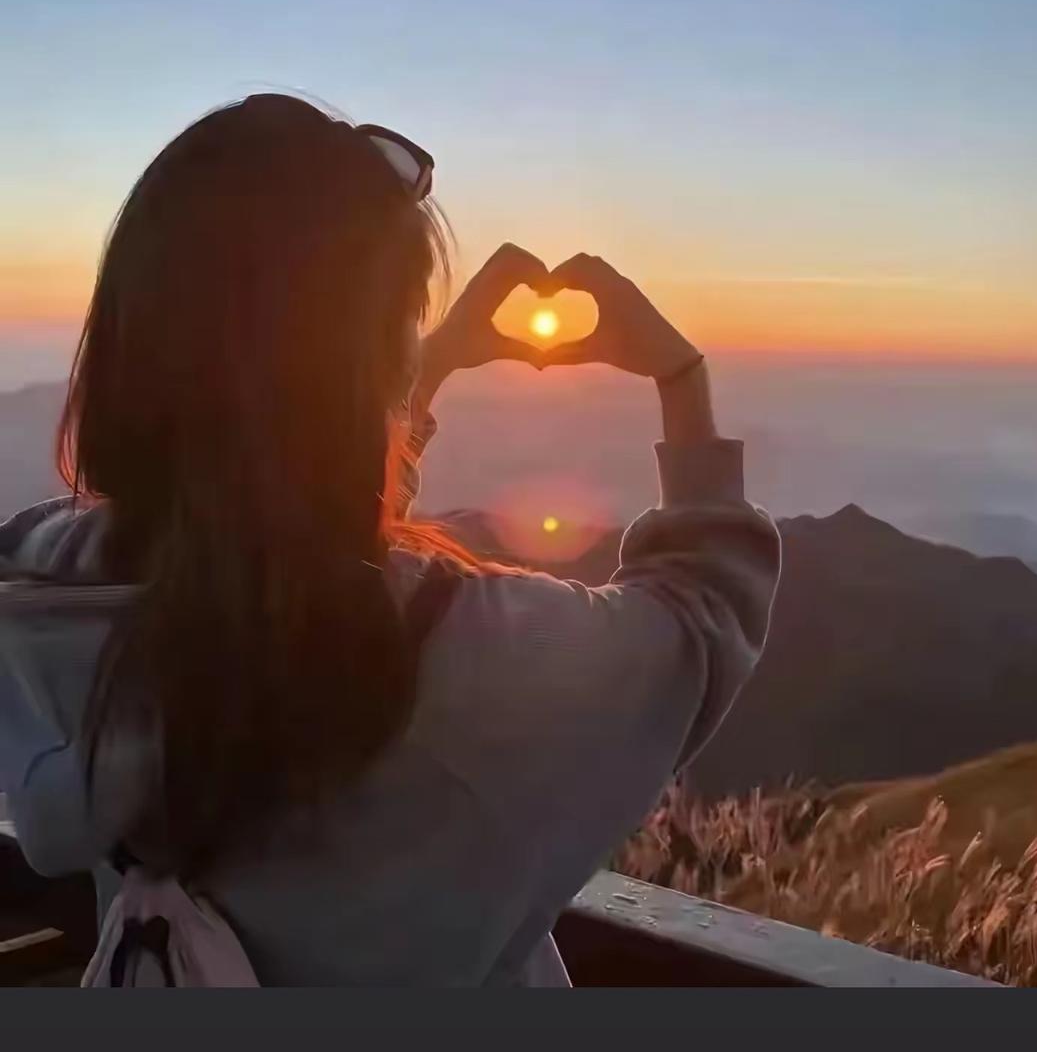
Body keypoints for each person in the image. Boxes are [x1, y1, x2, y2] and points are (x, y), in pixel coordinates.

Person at [0, 93, 781, 986]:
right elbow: (698, 623)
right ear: (372, 360)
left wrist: (430, 363)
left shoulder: (52, 603)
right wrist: (684, 380)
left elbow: (270, 543)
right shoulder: (472, 659)